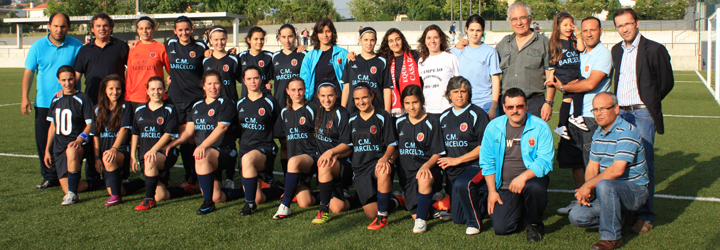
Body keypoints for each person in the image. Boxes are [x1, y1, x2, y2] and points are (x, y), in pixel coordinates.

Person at [611, 8, 674, 233]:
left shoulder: (654, 49)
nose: (624, 29)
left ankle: (645, 215)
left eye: (628, 24)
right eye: (620, 25)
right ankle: (630, 210)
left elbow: (666, 82)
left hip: (642, 114)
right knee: (622, 163)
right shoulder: (616, 50)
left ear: (636, 23)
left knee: (645, 163)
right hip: (621, 114)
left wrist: (649, 103)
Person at [568, 92, 650, 250]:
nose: (599, 113)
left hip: (634, 190)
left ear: (616, 109)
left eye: (604, 109)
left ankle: (611, 238)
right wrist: (589, 189)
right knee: (576, 217)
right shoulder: (598, 133)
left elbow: (617, 170)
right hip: (607, 191)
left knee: (606, 185)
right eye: (595, 110)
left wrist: (588, 185)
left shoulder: (627, 131)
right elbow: (592, 166)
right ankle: (620, 219)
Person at [547, 17, 612, 215]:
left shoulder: (603, 54)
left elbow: (589, 84)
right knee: (575, 161)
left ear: (601, 31)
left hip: (591, 117)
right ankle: (581, 199)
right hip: (573, 116)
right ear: (580, 32)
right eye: (585, 30)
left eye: (593, 30)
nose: (589, 33)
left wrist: (563, 86)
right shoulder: (578, 52)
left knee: (593, 162)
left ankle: (599, 203)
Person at [480, 88, 554, 242]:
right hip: (505, 185)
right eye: (510, 107)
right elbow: (487, 162)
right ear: (504, 107)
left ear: (526, 106)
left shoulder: (540, 127)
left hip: (529, 180)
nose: (515, 111)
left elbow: (545, 161)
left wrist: (523, 177)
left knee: (535, 187)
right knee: (502, 229)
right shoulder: (493, 127)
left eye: (519, 106)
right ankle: (521, 208)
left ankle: (534, 223)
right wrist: (492, 191)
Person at [163, 70, 238, 215]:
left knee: (200, 156)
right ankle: (247, 190)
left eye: (216, 83)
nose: (213, 87)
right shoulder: (197, 106)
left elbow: (222, 127)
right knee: (217, 196)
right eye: (209, 84)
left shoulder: (226, 102)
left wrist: (203, 145)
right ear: (203, 86)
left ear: (221, 85)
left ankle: (207, 203)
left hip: (225, 151)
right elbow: (189, 132)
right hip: (206, 154)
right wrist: (172, 144)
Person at [22, 13, 82, 189]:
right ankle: (49, 176)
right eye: (55, 26)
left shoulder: (76, 45)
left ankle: (69, 174)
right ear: (48, 26)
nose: (59, 29)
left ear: (68, 27)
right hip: (44, 104)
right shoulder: (37, 46)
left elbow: (79, 71)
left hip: (69, 104)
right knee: (43, 141)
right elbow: (29, 72)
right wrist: (24, 97)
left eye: (63, 26)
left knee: (68, 141)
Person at [74, 13, 129, 182]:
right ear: (92, 29)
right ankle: (93, 175)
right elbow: (76, 76)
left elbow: (133, 69)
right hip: (93, 102)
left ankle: (122, 175)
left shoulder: (121, 46)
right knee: (94, 137)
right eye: (98, 26)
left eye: (105, 25)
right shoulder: (84, 50)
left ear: (111, 28)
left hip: (116, 101)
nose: (102, 29)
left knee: (120, 136)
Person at [131, 76, 200, 211]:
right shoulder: (139, 109)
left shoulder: (169, 109)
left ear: (164, 91)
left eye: (160, 89)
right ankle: (185, 189)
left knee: (151, 160)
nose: (156, 92)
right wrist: (133, 155)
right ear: (147, 91)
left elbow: (168, 134)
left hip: (165, 153)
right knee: (161, 195)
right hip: (146, 155)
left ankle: (149, 200)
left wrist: (154, 150)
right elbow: (135, 133)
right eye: (153, 89)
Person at [438, 76, 490, 235]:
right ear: (449, 95)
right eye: (455, 92)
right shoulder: (443, 117)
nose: (459, 95)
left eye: (463, 91)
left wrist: (458, 160)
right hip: (453, 171)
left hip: (475, 165)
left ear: (469, 94)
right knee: (458, 218)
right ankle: (486, 203)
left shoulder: (478, 114)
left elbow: (484, 147)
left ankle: (475, 224)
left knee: (463, 183)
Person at [44, 66, 103, 205]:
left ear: (75, 78)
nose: (67, 83)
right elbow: (53, 126)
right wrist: (47, 149)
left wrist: (79, 139)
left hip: (78, 144)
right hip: (59, 147)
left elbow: (90, 125)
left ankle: (73, 196)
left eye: (70, 79)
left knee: (71, 150)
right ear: (58, 80)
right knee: (71, 187)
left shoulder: (83, 98)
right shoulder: (55, 99)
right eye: (63, 80)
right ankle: (102, 182)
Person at [347, 83, 399, 230]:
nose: (361, 102)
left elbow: (391, 144)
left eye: (364, 97)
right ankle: (395, 201)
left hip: (377, 162)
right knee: (371, 213)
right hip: (360, 167)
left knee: (383, 170)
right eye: (357, 99)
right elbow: (348, 145)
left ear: (372, 96)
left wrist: (384, 158)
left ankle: (382, 217)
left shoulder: (383, 116)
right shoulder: (351, 119)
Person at [395, 85, 445, 233]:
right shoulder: (399, 123)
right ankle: (436, 203)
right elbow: (395, 148)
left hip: (428, 171)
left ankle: (421, 221)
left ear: (422, 101)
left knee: (419, 214)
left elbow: (438, 152)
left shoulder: (432, 121)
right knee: (416, 211)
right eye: (407, 103)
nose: (411, 107)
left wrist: (426, 166)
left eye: (415, 102)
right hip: (407, 175)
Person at [494, 2, 554, 121]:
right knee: (507, 139)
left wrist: (548, 102)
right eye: (514, 19)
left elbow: (551, 75)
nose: (519, 22)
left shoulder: (544, 42)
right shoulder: (504, 44)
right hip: (507, 105)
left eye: (522, 18)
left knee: (532, 139)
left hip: (534, 104)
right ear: (510, 21)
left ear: (530, 18)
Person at [166, 16, 207, 186]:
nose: (184, 32)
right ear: (175, 31)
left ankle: (197, 173)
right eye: (180, 30)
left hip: (195, 99)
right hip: (175, 99)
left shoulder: (201, 47)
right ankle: (187, 173)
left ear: (192, 29)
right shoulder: (170, 45)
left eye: (187, 29)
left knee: (192, 137)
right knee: (180, 136)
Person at [273, 77, 320, 219]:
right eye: (293, 90)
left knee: (293, 161)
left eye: (300, 89)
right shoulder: (284, 113)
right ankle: (331, 194)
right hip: (296, 164)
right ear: (287, 91)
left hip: (312, 157)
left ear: (305, 90)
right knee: (305, 202)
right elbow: (283, 142)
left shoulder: (312, 109)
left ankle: (285, 205)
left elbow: (320, 136)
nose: (297, 93)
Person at [236, 66, 280, 216]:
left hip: (265, 149)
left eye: (256, 78)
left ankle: (249, 205)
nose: (253, 81)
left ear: (261, 79)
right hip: (245, 150)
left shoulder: (270, 101)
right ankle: (279, 189)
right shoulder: (240, 104)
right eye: (249, 79)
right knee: (258, 196)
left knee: (248, 160)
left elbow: (278, 126)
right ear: (244, 82)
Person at [310, 81, 354, 224]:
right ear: (318, 96)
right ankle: (361, 200)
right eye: (323, 96)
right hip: (326, 163)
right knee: (339, 207)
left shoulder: (342, 113)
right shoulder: (318, 111)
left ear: (337, 95)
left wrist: (331, 152)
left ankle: (323, 210)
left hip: (341, 164)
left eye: (330, 95)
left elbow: (348, 144)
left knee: (324, 165)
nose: (326, 99)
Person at [90, 74, 134, 206]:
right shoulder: (97, 109)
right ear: (105, 90)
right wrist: (97, 158)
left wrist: (114, 149)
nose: (115, 92)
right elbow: (96, 135)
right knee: (116, 189)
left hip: (120, 150)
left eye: (118, 89)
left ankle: (116, 198)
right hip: (105, 154)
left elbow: (124, 130)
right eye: (111, 88)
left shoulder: (126, 107)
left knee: (109, 158)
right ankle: (138, 184)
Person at [449, 15, 501, 119]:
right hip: (463, 106)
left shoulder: (490, 52)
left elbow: (495, 81)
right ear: (466, 30)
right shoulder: (456, 52)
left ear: (483, 31)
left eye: (478, 30)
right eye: (472, 30)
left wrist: (493, 107)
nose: (475, 33)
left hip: (485, 105)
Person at [273, 23, 307, 181]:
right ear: (279, 38)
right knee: (285, 144)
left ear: (296, 37)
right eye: (284, 37)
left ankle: (302, 178)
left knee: (299, 141)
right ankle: (289, 179)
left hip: (299, 107)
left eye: (290, 36)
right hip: (280, 105)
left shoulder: (303, 55)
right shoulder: (274, 57)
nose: (287, 40)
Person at [546, 12, 587, 140]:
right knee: (580, 87)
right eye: (565, 25)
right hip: (565, 74)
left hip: (574, 72)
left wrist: (578, 33)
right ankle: (576, 115)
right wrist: (550, 78)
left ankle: (561, 125)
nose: (569, 27)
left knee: (567, 99)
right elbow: (551, 63)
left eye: (571, 24)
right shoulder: (555, 42)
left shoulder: (574, 40)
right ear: (558, 27)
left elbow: (581, 49)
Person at [341, 27, 391, 114]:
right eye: (366, 40)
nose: (369, 43)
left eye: (372, 40)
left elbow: (386, 89)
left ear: (375, 41)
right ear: (360, 40)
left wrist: (387, 112)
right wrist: (342, 110)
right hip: (353, 110)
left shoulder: (382, 62)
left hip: (376, 109)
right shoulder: (351, 60)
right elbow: (346, 88)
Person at [125, 16, 170, 109]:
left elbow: (171, 71)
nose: (144, 31)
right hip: (135, 97)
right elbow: (129, 75)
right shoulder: (132, 48)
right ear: (137, 30)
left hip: (156, 96)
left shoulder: (161, 47)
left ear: (153, 29)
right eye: (141, 28)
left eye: (147, 28)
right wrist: (127, 96)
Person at [300, 18, 348, 101]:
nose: (325, 35)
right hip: (316, 102)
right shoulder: (310, 56)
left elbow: (348, 81)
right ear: (316, 35)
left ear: (333, 33)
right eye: (321, 32)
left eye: (328, 31)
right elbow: (304, 81)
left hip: (338, 102)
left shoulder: (343, 54)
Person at [377, 28, 421, 118]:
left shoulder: (415, 56)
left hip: (413, 108)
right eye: (391, 41)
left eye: (398, 39)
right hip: (393, 109)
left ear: (402, 40)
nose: (395, 43)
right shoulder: (383, 60)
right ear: (387, 44)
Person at [417, 25, 459, 116]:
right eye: (429, 38)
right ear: (424, 41)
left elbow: (458, 83)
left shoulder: (450, 58)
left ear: (441, 40)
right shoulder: (421, 61)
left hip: (447, 109)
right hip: (427, 110)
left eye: (436, 37)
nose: (432, 41)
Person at [203, 26, 240, 101]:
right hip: (211, 104)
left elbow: (244, 80)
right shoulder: (205, 61)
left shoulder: (234, 59)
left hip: (230, 103)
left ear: (226, 39)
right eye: (216, 39)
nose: (219, 42)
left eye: (222, 39)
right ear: (210, 40)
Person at [238, 26, 275, 98]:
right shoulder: (241, 57)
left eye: (261, 39)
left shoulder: (270, 57)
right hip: (246, 99)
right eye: (256, 39)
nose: (259, 42)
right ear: (249, 40)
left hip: (264, 98)